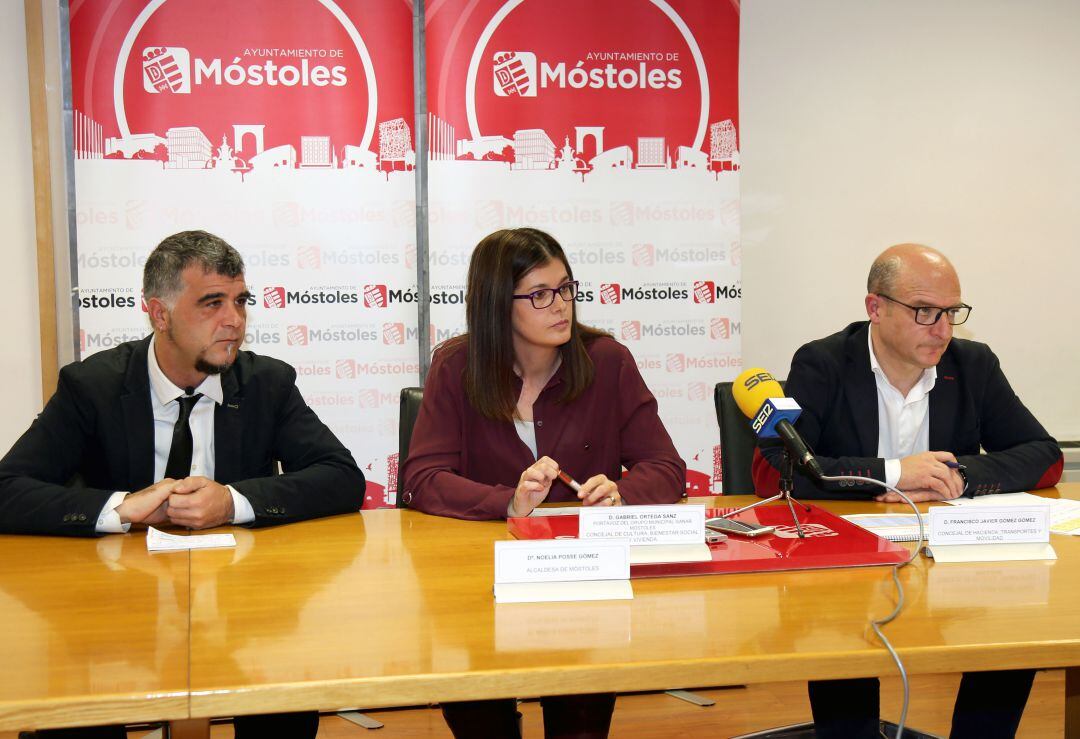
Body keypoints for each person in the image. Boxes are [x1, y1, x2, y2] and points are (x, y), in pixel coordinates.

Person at [0, 230, 366, 739]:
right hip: (113, 605)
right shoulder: (93, 386)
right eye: (212, 303)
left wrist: (232, 502)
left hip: (242, 603)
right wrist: (120, 508)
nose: (234, 320)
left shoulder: (267, 383)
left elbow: (342, 477)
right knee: (72, 714)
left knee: (285, 697)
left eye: (240, 301)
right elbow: (8, 488)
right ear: (159, 314)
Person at [753, 243, 1062, 739]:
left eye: (952, 312)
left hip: (949, 556)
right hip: (850, 563)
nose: (942, 329)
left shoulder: (973, 364)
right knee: (841, 632)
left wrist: (958, 475)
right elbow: (777, 471)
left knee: (1012, 619)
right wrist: (896, 473)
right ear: (875, 308)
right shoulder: (823, 363)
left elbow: (1045, 454)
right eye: (924, 311)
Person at [402, 227, 685, 738]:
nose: (560, 306)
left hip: (580, 574)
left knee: (580, 719)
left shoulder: (607, 361)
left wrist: (622, 494)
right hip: (480, 578)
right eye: (539, 294)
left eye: (566, 288)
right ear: (496, 304)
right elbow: (422, 479)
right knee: (479, 715)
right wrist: (508, 502)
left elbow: (665, 466)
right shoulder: (457, 366)